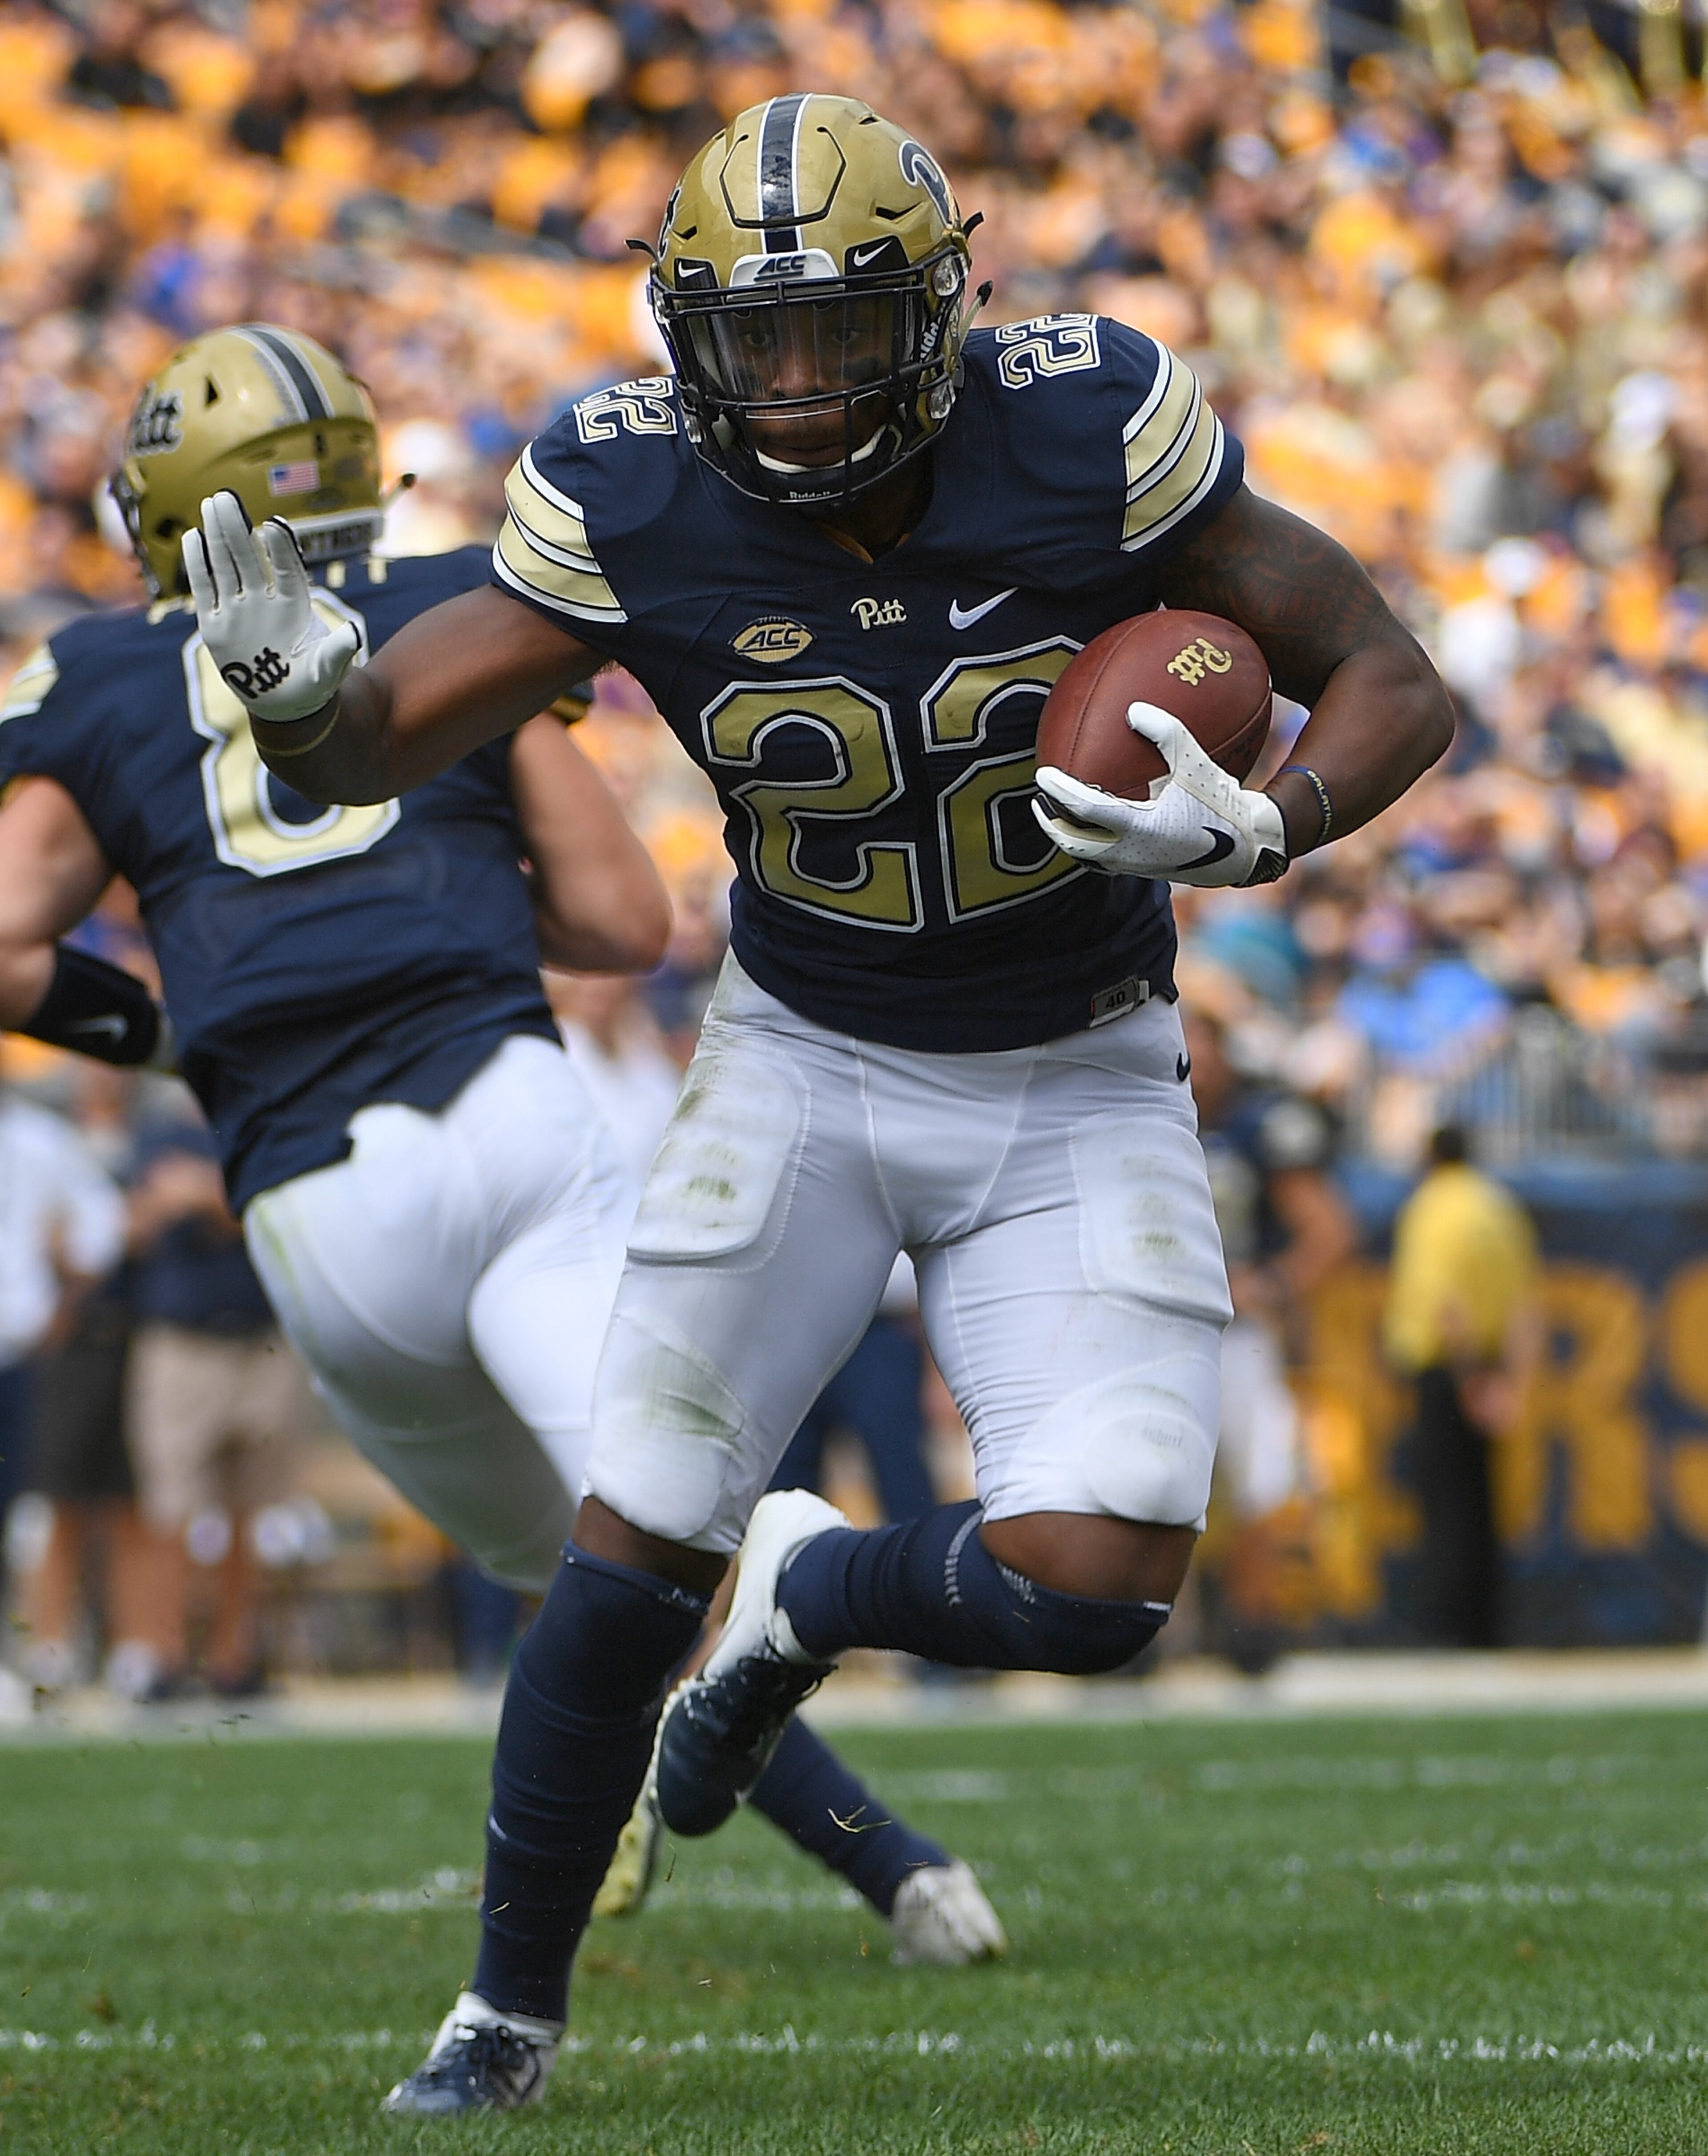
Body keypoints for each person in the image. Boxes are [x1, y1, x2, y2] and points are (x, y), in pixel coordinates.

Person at [183, 94, 1453, 2116]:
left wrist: (1271, 825)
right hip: (804, 1054)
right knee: (632, 1542)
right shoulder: (622, 482)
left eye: (837, 330)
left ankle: (812, 1599)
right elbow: (364, 756)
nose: (792, 383)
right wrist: (297, 699)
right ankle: (503, 2013)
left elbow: (1391, 672)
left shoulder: (1083, 422)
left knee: (1094, 1582)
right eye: (753, 338)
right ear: (684, 331)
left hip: (1075, 1058)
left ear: (936, 312)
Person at [0, 324, 1003, 1951]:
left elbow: (7, 939)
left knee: (585, 1575)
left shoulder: (100, 674)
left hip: (320, 1201)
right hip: (512, 1112)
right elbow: (620, 917)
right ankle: (869, 1798)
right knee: (653, 1553)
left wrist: (182, 1027)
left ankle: (893, 1869)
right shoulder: (450, 615)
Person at [1184, 1005, 1358, 1664]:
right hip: (1147, 1325)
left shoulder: (1257, 1126)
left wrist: (1275, 1285)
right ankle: (1153, 1634)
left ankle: (1250, 1629)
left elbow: (1330, 1230)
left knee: (1258, 1478)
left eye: (1202, 1041)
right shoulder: (1131, 1107)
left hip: (1233, 1332)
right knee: (1146, 1478)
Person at [1384, 1123, 1540, 1649]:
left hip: (1450, 1370)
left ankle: (1448, 1631)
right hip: (1492, 1370)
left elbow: (1445, 1306)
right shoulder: (1499, 1206)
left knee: (1444, 1504)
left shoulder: (1431, 1209)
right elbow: (1526, 1306)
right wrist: (1508, 1385)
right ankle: (1487, 1626)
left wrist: (1469, 1378)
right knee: (1482, 1504)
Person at [0, 1066, 127, 1713]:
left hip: (24, 1351)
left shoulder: (43, 1140)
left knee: (32, 1509)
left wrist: (68, 1292)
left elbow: (102, 1227)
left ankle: (30, 1652)